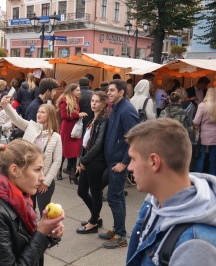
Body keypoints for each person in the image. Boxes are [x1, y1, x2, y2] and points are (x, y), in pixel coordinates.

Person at [125, 118, 216, 265]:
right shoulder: (153, 200)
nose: (130, 167)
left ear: (154, 162)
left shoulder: (196, 245)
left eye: (133, 159)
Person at [0, 139, 65, 265]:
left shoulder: (20, 201)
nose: (42, 177)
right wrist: (41, 233)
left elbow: (25, 247)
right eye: (37, 170)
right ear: (15, 170)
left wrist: (49, 235)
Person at [100, 79, 138, 249]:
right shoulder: (115, 107)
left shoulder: (127, 110)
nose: (108, 93)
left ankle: (121, 236)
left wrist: (124, 162)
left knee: (114, 197)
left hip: (118, 162)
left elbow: (134, 139)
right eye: (108, 90)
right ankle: (118, 229)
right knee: (118, 196)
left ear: (121, 92)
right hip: (112, 160)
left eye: (112, 90)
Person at [75, 91, 109, 234]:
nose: (93, 103)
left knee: (95, 192)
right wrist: (81, 161)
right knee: (81, 191)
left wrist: (84, 160)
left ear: (103, 104)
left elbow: (98, 144)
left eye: (97, 101)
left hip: (96, 161)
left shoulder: (103, 120)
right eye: (92, 101)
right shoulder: (92, 120)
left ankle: (93, 222)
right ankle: (96, 217)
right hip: (87, 160)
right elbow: (85, 143)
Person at [57, 84, 87, 182]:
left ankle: (72, 174)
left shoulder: (76, 100)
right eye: (77, 90)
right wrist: (78, 114)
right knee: (64, 150)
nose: (79, 92)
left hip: (75, 128)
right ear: (72, 91)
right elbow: (64, 115)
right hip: (67, 128)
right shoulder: (64, 100)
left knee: (74, 151)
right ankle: (59, 170)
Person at [193, 87, 216, 175]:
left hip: (203, 135)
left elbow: (196, 121)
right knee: (213, 159)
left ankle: (198, 177)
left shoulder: (202, 105)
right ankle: (213, 179)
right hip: (215, 135)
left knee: (201, 157)